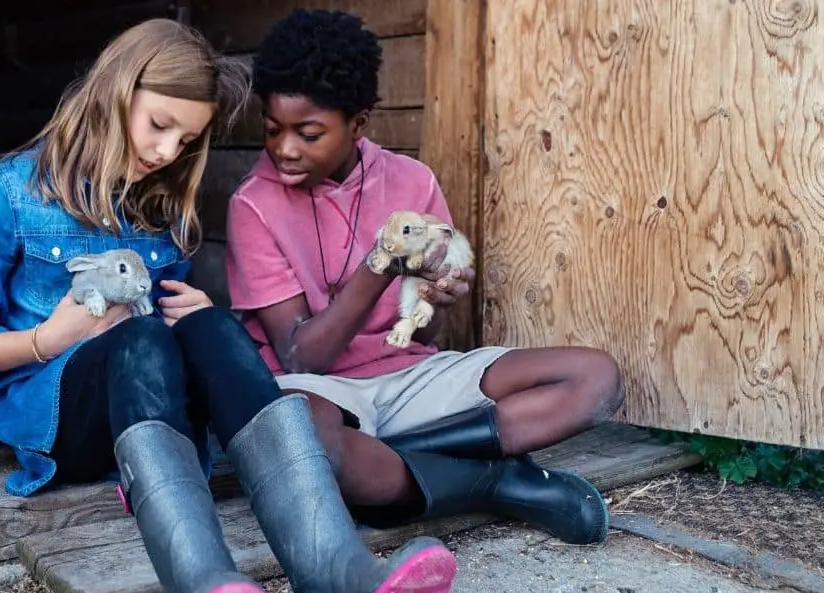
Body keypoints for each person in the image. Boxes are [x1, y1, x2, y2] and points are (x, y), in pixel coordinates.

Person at [0, 18, 460, 593]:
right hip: (55, 416)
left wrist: (199, 318)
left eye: (185, 142)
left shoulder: (159, 207)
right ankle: (205, 581)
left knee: (204, 323)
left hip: (151, 419)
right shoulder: (8, 191)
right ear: (115, 91)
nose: (166, 153)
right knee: (140, 342)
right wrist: (48, 339)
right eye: (160, 126)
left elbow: (171, 341)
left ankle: (337, 569)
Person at [224, 9, 627, 546]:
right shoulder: (253, 204)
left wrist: (437, 299)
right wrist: (380, 264)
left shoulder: (412, 181)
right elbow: (303, 356)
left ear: (359, 123)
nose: (285, 149)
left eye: (309, 132)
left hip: (411, 379)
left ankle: (406, 468)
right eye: (273, 130)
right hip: (317, 390)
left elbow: (426, 336)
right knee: (304, 446)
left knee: (595, 379)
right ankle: (495, 480)